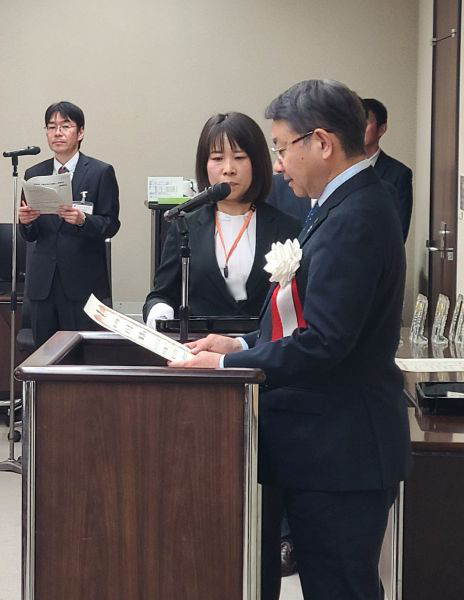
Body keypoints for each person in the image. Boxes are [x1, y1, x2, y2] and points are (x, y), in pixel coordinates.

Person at [170, 80, 411, 600]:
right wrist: (240, 345)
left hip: (342, 448)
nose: (278, 165)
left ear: (321, 142)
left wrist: (224, 369)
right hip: (325, 444)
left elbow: (325, 340)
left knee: (340, 586)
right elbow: (305, 318)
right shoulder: (338, 204)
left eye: (281, 148)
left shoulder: (356, 215)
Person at [144, 112, 300, 327]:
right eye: (217, 158)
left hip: (264, 344)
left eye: (239, 157)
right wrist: (160, 312)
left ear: (257, 163)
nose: (228, 169)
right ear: (204, 164)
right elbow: (161, 294)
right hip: (200, 343)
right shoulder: (185, 225)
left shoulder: (287, 227)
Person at [19, 101, 120, 347]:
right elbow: (32, 235)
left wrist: (83, 221)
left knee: (80, 354)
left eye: (65, 126)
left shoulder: (100, 172)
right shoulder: (34, 173)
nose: (57, 133)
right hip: (44, 284)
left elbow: (111, 224)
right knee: (44, 354)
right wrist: (26, 223)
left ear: (80, 132)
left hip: (82, 283)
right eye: (51, 127)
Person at [362, 97, 413, 241]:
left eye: (365, 123)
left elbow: (400, 230)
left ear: (382, 129)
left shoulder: (399, 174)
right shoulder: (339, 169)